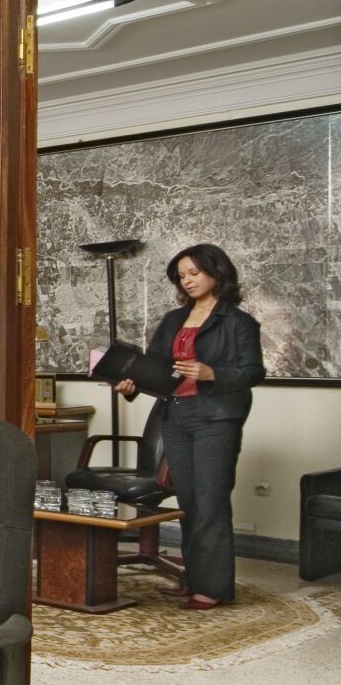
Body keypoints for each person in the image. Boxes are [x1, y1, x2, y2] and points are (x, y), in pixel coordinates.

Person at [113, 243, 264, 609]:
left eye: (194, 273)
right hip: (176, 415)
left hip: (216, 417)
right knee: (190, 502)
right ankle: (193, 578)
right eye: (181, 276)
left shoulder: (238, 322)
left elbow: (253, 371)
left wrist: (212, 373)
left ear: (217, 272)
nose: (187, 281)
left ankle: (212, 588)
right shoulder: (173, 320)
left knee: (211, 501)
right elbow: (155, 370)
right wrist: (132, 384)